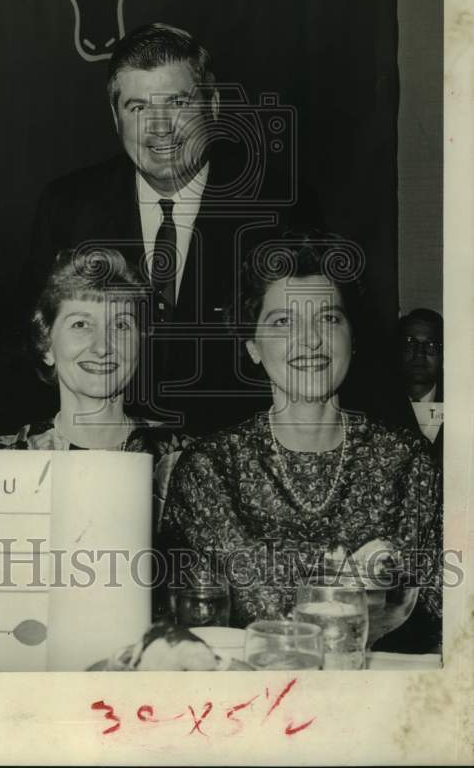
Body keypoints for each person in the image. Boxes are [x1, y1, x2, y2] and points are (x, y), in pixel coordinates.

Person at [26, 23, 319, 434]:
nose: (160, 126)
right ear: (116, 116)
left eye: (177, 102)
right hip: (105, 459)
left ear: (213, 106)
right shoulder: (68, 207)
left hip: (236, 458)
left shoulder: (280, 207)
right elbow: (33, 352)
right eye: (138, 107)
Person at [161, 232, 442, 650]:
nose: (310, 339)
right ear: (253, 345)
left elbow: (446, 616)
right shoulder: (211, 469)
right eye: (283, 321)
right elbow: (193, 621)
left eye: (329, 318)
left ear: (353, 337)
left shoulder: (408, 462)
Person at [0, 248, 194, 519]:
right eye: (81, 324)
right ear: (47, 345)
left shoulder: (188, 461)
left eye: (121, 326)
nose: (101, 347)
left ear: (140, 343)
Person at [398, 308, 444, 458]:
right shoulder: (377, 408)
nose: (419, 353)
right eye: (410, 342)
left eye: (431, 345)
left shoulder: (461, 405)